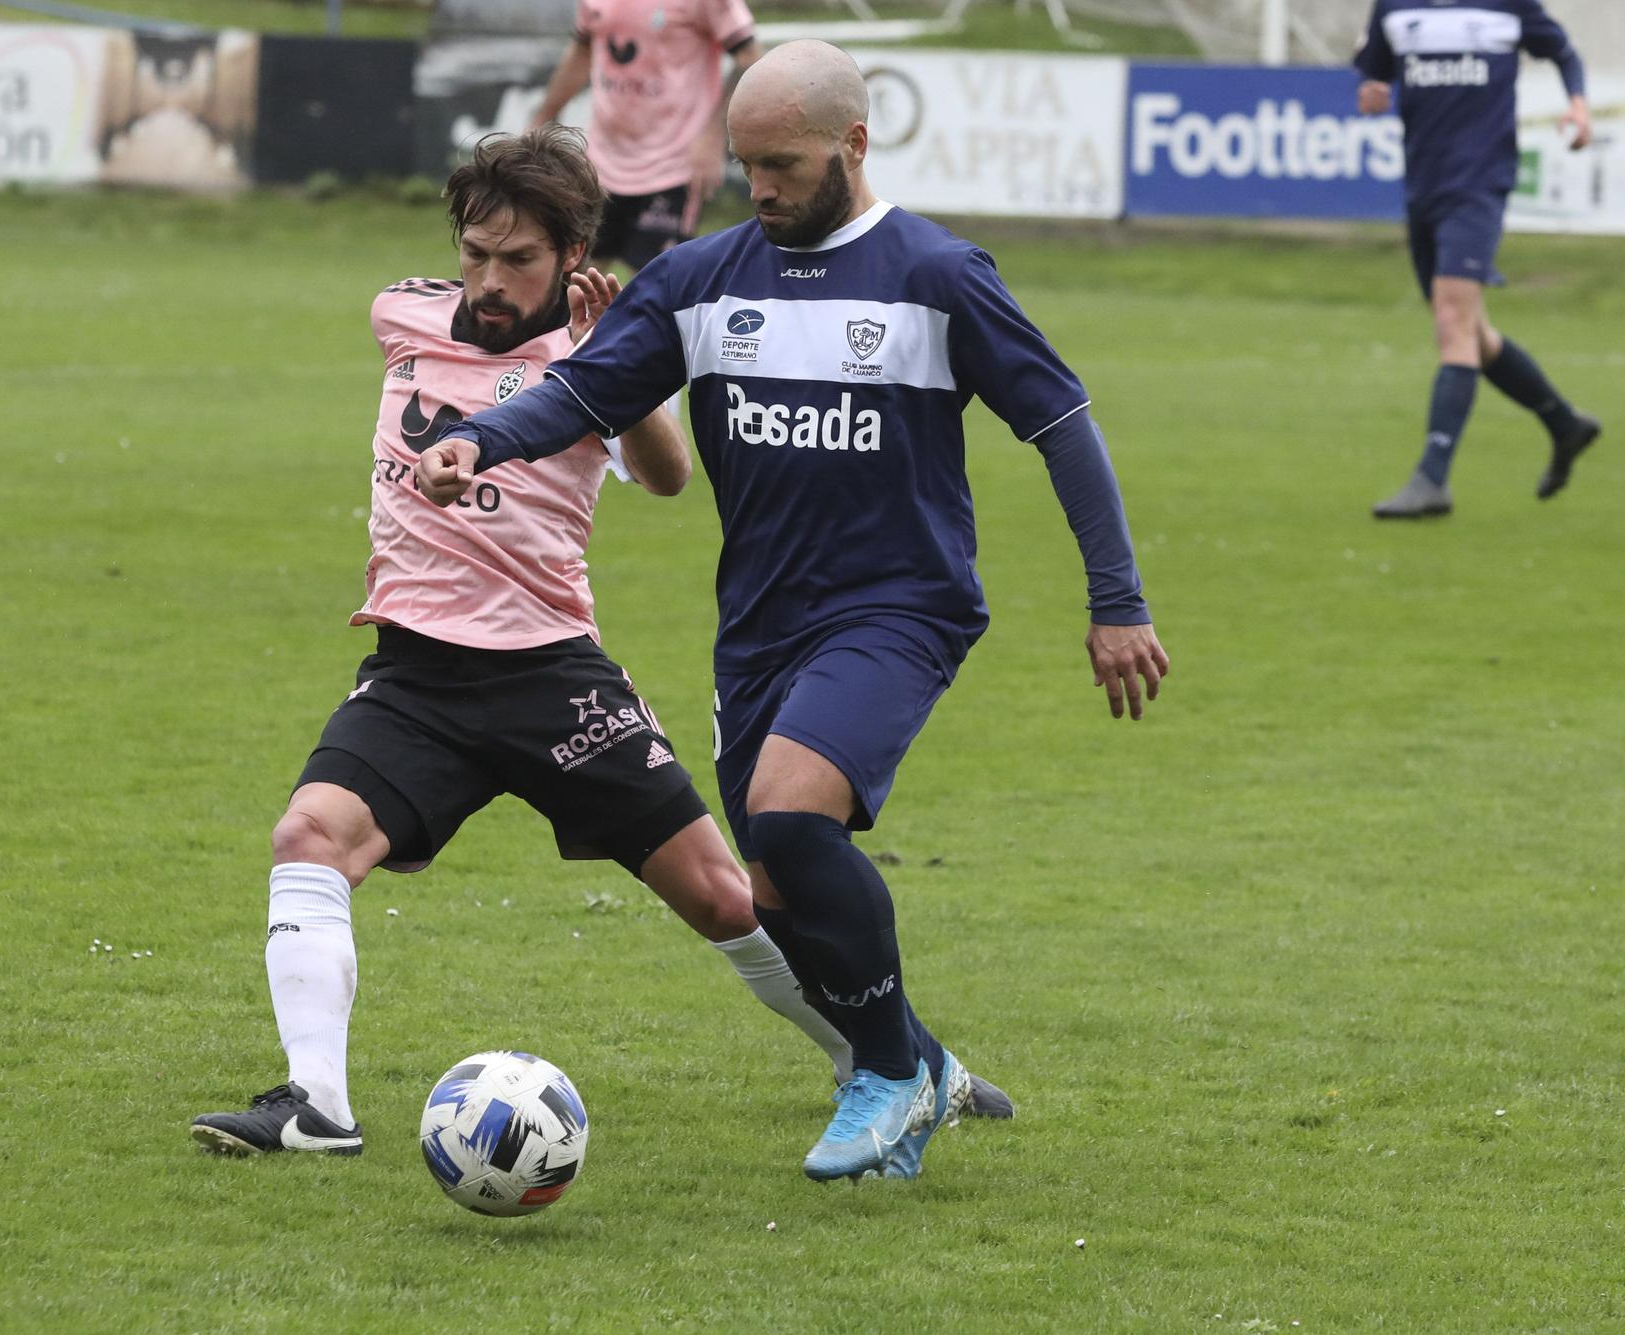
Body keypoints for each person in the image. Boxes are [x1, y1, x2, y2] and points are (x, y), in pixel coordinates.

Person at [414, 43, 1167, 1182]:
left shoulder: (939, 276)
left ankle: (884, 1077)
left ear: (851, 148)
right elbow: (584, 390)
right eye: (742, 165)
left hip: (898, 608)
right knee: (776, 891)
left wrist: (1116, 602)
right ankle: (919, 1057)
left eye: (781, 164)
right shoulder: (700, 278)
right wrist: (483, 438)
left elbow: (1062, 427)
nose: (757, 188)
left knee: (790, 818)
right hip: (759, 627)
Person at [189, 126, 1005, 1158]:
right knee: (309, 837)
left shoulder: (598, 353)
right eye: (476, 254)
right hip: (413, 676)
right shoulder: (400, 313)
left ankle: (892, 1061)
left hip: (551, 678)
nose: (489, 280)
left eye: (518, 260)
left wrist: (616, 363)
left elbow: (664, 475)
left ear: (571, 257)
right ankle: (315, 1107)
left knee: (723, 895)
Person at [1357, 0, 1601, 519]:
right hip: (1423, 185)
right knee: (1473, 333)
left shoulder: (1508, 4)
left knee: (1453, 320)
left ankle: (1432, 479)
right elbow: (1374, 76)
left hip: (1480, 184)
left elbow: (1562, 51)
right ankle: (1564, 424)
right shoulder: (1394, 8)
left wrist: (1578, 104)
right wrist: (1371, 92)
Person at [530, 0, 763, 271]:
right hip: (601, 164)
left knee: (657, 289)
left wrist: (713, 137)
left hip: (672, 165)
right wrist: (544, 116)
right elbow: (584, 49)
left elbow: (750, 58)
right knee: (573, 280)